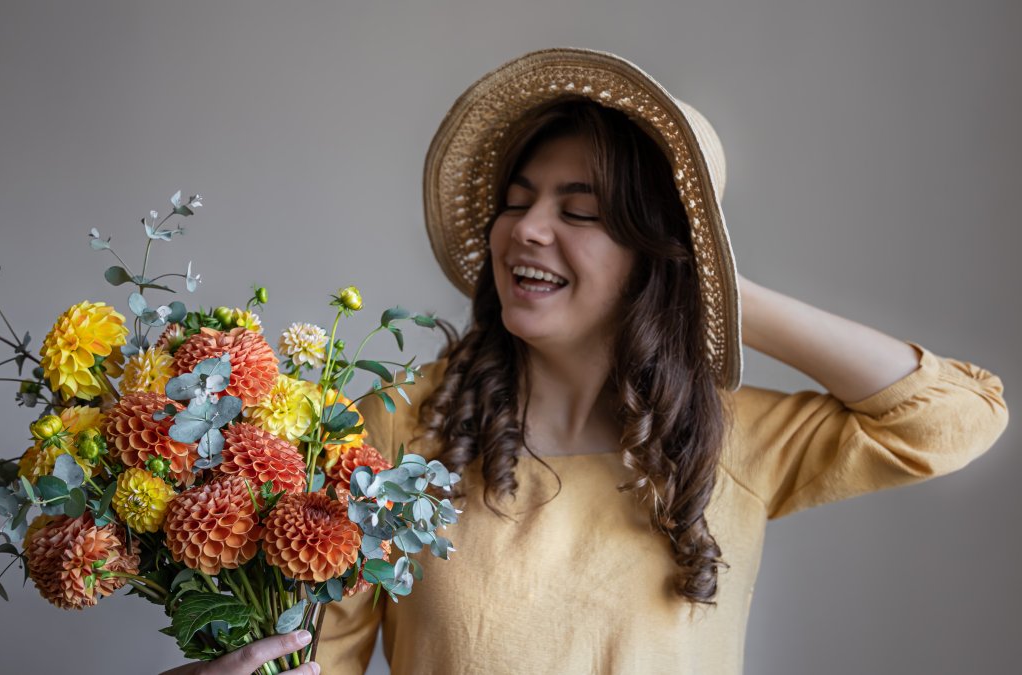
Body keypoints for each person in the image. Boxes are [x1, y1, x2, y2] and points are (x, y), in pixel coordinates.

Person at [167, 47, 1008, 674]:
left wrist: (723, 284)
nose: (527, 229)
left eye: (582, 212)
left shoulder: (726, 437)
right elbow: (321, 662)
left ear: (657, 255)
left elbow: (953, 417)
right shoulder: (396, 427)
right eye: (518, 201)